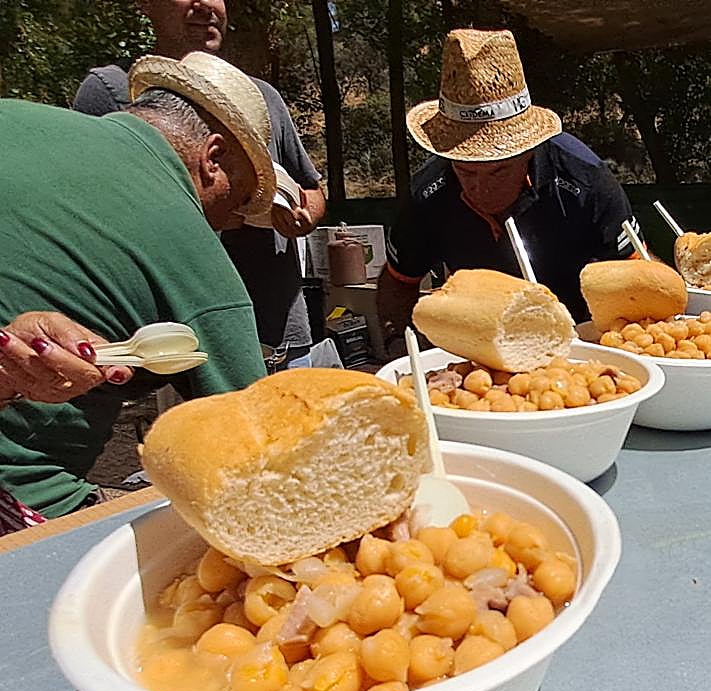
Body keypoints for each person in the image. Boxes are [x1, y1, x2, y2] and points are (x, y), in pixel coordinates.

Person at [0, 52, 277, 518]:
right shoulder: (190, 248)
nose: (234, 221)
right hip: (22, 495)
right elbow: (258, 453)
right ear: (213, 158)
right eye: (241, 198)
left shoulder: (13, 115)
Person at [74, 0, 326, 361]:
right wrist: (216, 212)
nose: (206, 5)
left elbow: (312, 189)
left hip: (280, 331)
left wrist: (302, 218)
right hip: (174, 345)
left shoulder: (260, 98)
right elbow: (95, 216)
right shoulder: (110, 91)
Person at [377, 28, 646, 354]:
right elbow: (398, 281)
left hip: (584, 344)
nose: (480, 187)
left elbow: (640, 280)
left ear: (529, 150)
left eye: (498, 170)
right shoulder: (428, 193)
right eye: (464, 170)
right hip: (476, 350)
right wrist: (396, 347)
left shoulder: (585, 180)